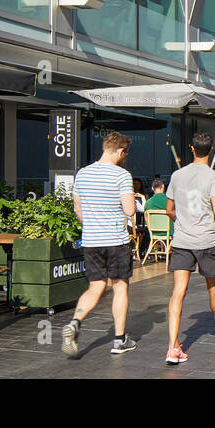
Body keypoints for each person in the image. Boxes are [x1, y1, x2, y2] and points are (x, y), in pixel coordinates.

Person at [164, 131, 215, 364]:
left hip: (181, 241)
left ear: (191, 149)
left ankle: (172, 348)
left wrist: (182, 222)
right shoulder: (214, 176)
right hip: (207, 241)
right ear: (210, 150)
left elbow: (170, 209)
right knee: (214, 288)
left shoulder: (177, 175)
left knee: (178, 292)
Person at [63, 132, 138, 358]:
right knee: (120, 286)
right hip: (116, 241)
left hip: (92, 240)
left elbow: (78, 210)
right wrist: (132, 197)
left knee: (95, 287)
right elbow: (129, 211)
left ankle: (75, 322)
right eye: (125, 153)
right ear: (120, 151)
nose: (125, 157)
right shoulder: (122, 176)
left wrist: (93, 225)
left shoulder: (82, 174)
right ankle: (119, 340)